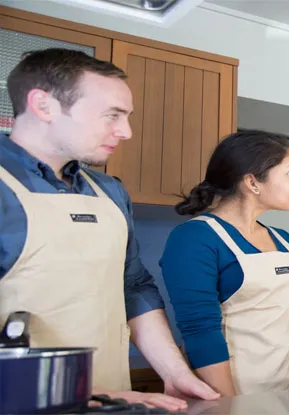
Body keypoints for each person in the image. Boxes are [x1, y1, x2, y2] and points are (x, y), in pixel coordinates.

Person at [0, 48, 218, 410]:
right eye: (112, 116)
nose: (126, 131)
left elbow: (134, 288)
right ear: (43, 105)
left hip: (113, 399)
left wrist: (175, 372)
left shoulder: (110, 191)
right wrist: (76, 396)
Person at [160, 130, 289, 396]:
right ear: (252, 182)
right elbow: (200, 331)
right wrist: (227, 406)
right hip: (232, 391)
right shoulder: (194, 238)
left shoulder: (283, 239)